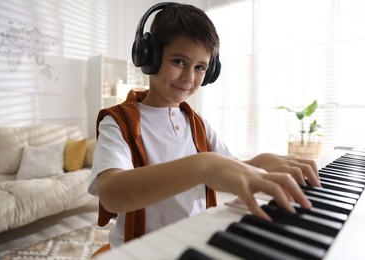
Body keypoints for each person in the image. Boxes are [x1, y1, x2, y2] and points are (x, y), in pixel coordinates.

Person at [88, 2, 320, 249]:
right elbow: (112, 194)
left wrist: (259, 162)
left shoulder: (198, 123)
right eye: (178, 61)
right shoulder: (118, 122)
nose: (189, 77)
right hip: (140, 250)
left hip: (192, 242)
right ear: (149, 56)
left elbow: (228, 170)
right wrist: (202, 165)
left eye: (200, 67)